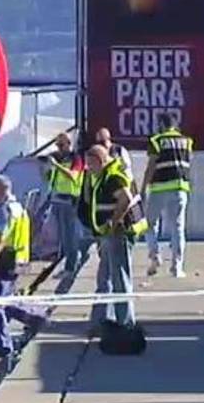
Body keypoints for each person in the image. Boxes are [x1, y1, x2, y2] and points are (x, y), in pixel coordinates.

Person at [78, 145, 148, 334]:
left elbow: (124, 198)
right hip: (109, 235)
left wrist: (112, 222)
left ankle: (125, 323)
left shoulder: (113, 176)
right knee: (106, 277)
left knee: (119, 278)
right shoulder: (104, 175)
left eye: (91, 164)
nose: (89, 168)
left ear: (100, 161)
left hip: (119, 233)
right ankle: (103, 320)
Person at [0, 175, 47, 358]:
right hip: (18, 259)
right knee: (6, 299)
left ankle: (3, 345)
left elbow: (0, 238)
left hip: (4, 260)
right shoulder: (18, 207)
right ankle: (35, 317)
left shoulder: (4, 210)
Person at [142, 113, 193, 278]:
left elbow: (151, 165)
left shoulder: (156, 141)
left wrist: (144, 187)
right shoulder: (187, 141)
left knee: (150, 224)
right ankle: (176, 267)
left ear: (162, 125)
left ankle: (155, 255)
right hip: (180, 188)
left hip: (159, 188)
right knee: (178, 228)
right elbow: (188, 162)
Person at [46, 132, 84, 278]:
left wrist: (56, 165)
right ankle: (69, 263)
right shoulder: (58, 158)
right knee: (63, 237)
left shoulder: (76, 158)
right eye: (57, 145)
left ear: (69, 144)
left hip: (71, 200)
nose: (59, 148)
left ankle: (71, 267)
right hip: (58, 199)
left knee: (70, 236)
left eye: (61, 145)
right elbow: (51, 178)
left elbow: (73, 176)